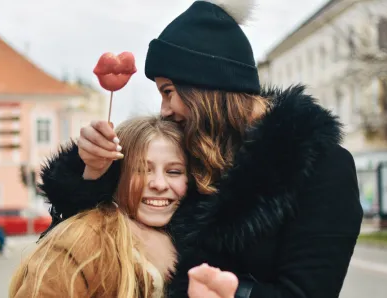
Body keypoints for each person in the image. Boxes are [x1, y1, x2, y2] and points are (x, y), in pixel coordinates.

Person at [38, 0, 363, 297]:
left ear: (204, 86)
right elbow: (80, 234)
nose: (163, 109)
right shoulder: (191, 154)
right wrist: (89, 172)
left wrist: (231, 291)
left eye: (168, 91)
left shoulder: (324, 168)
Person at [10, 116, 190, 298]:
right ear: (116, 174)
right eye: (141, 170)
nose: (159, 184)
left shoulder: (198, 244)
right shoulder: (83, 241)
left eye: (174, 171)